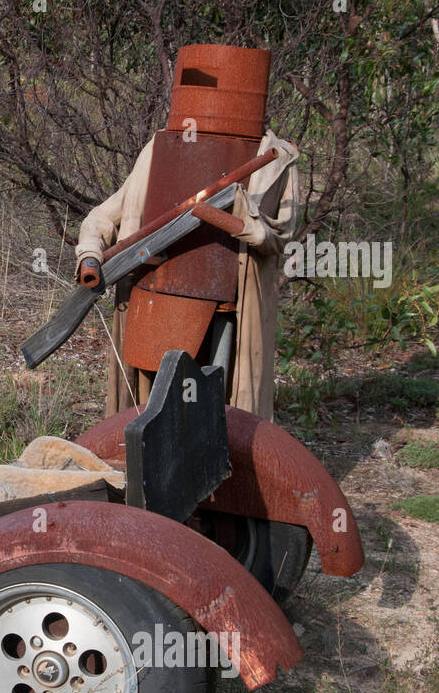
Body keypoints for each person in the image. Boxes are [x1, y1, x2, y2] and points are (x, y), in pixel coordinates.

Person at [74, 46, 300, 421]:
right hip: (154, 288)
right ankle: (144, 457)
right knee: (149, 394)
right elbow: (106, 215)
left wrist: (238, 215)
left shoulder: (272, 159)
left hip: (229, 302)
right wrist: (90, 255)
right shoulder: (160, 147)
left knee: (221, 399)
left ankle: (221, 463)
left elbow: (276, 237)